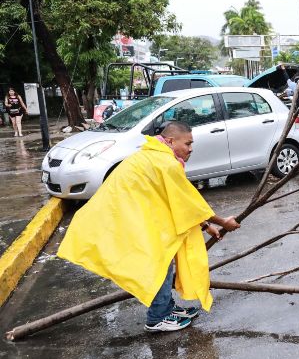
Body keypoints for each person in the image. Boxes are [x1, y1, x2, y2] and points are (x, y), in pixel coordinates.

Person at [58, 121, 240, 333]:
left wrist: (205, 225)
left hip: (129, 216)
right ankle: (157, 318)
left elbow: (177, 201)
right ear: (170, 141)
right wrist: (222, 222)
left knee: (162, 261)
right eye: (187, 143)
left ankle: (166, 308)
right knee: (159, 264)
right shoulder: (166, 163)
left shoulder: (153, 155)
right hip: (121, 219)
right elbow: (190, 202)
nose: (191, 149)